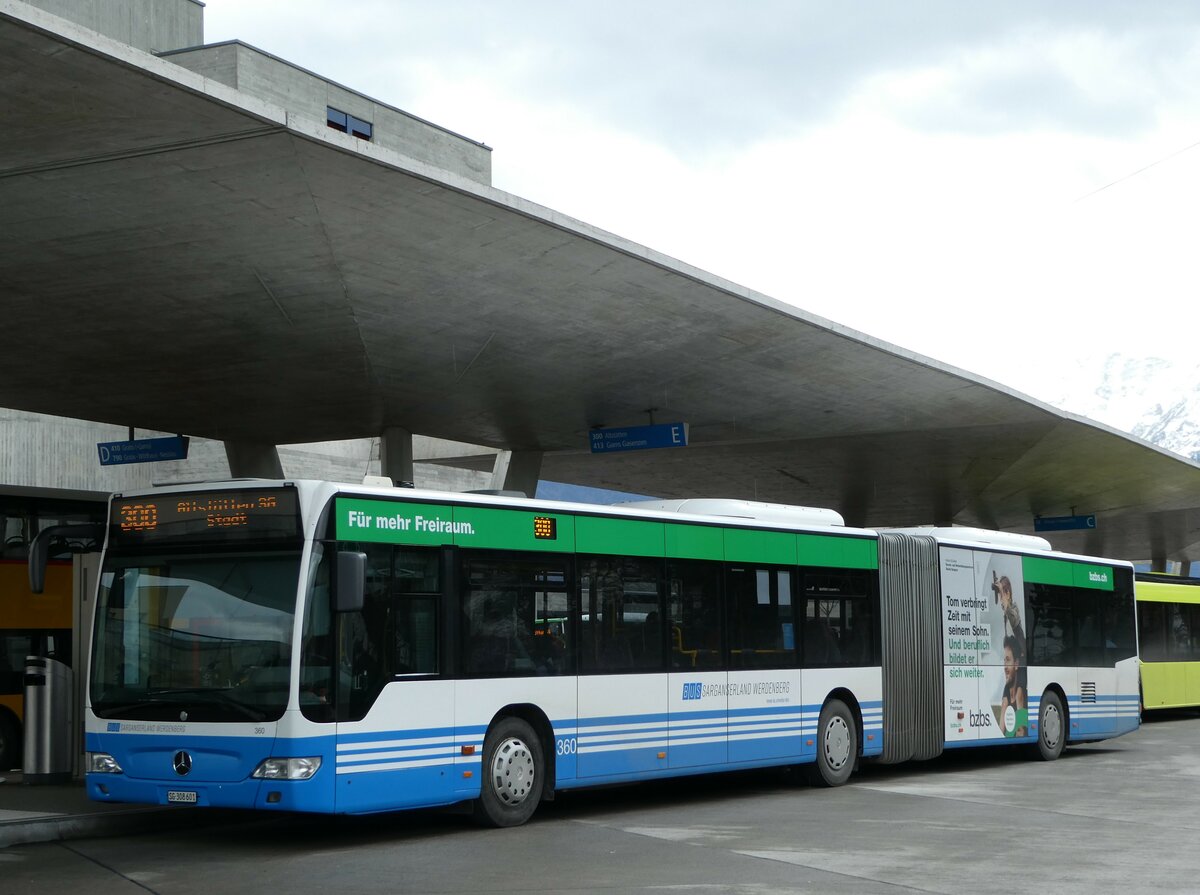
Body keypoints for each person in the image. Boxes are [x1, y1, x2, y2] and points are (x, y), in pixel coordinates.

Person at [1001, 634, 1028, 737]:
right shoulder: (1006, 698)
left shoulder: (1023, 699)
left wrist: (1019, 702)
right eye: (1004, 660)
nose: (1004, 666)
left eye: (1008, 660)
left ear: (1016, 664)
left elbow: (1020, 733)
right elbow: (1000, 733)